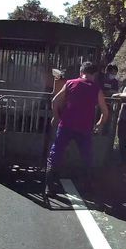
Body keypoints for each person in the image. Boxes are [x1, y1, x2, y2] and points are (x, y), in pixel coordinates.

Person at [45, 62, 109, 195]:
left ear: (81, 72)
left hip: (66, 125)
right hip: (84, 129)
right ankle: (87, 186)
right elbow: (105, 111)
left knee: (55, 154)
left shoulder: (70, 83)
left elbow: (54, 101)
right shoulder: (96, 89)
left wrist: (56, 117)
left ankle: (49, 186)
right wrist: (100, 123)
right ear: (94, 75)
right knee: (87, 157)